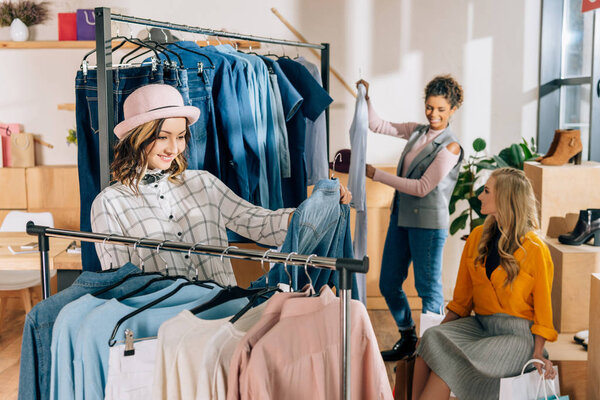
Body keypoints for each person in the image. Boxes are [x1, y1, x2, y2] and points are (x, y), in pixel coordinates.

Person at [91, 84, 351, 286]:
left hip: (223, 316)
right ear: (137, 138)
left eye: (181, 137)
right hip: (161, 331)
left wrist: (317, 209)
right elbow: (119, 285)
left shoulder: (203, 183)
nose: (174, 148)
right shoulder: (109, 203)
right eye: (162, 137)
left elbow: (258, 223)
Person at [413, 167, 557, 400]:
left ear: (506, 198)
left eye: (487, 191)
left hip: (518, 338)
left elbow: (544, 312)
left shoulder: (535, 249)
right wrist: (439, 330)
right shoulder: (477, 237)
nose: (480, 196)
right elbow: (461, 301)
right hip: (481, 326)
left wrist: (538, 352)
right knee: (429, 339)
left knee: (448, 363)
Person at [356, 75, 464, 361]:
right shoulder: (417, 132)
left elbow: (422, 187)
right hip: (402, 218)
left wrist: (375, 174)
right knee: (389, 283)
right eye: (430, 107)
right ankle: (408, 337)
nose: (434, 114)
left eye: (441, 109)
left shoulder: (451, 147)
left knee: (428, 289)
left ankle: (433, 354)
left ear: (453, 109)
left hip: (428, 225)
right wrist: (366, 98)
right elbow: (377, 125)